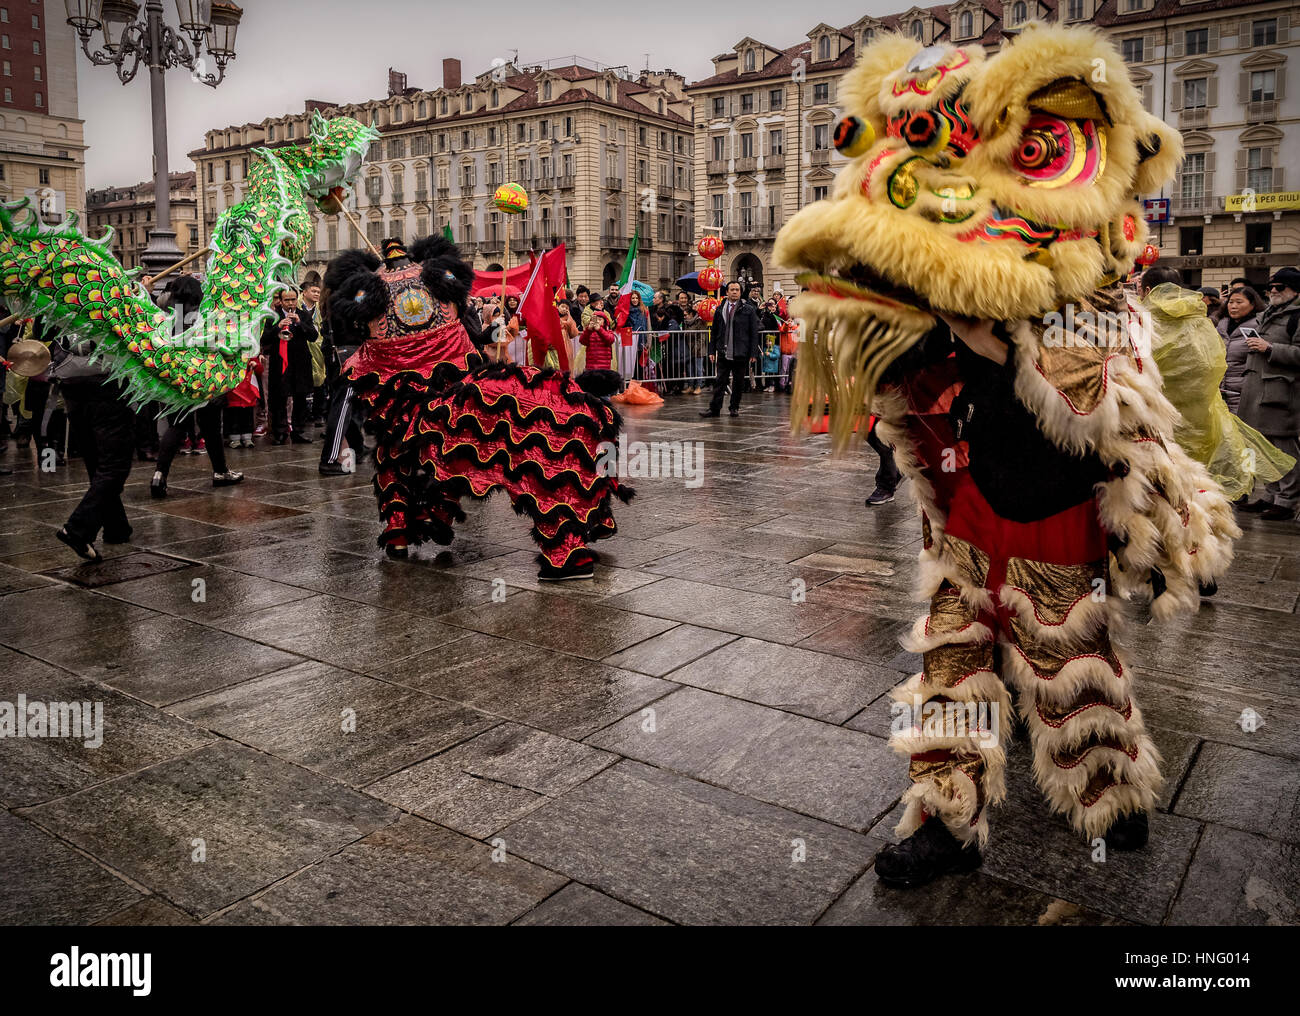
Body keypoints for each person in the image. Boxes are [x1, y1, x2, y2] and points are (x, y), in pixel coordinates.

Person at [324, 236, 632, 579]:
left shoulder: (379, 290)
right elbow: (464, 334)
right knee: (461, 442)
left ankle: (567, 547)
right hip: (448, 389)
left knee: (405, 454)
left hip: (415, 397)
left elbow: (366, 346)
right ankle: (430, 518)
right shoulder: (436, 281)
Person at [1237, 267, 1300, 520]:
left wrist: (1270, 347)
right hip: (1258, 389)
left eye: (1280, 287)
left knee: (1284, 448)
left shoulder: (1296, 315)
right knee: (1264, 447)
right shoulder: (1270, 312)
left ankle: (1287, 500)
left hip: (1282, 392)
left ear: (1295, 290)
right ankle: (1270, 495)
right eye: (1271, 287)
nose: (1273, 291)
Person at [261, 288, 316, 444]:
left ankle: (298, 431)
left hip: (300, 362)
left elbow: (313, 336)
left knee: (300, 397)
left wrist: (300, 324)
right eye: (287, 300)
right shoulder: (273, 315)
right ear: (281, 301)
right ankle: (280, 432)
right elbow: (265, 339)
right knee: (279, 398)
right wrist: (278, 327)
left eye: (293, 299)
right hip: (280, 363)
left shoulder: (303, 314)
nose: (290, 303)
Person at [701, 281, 759, 418]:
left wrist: (753, 353)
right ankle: (714, 408)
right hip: (723, 351)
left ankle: (734, 407)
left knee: (738, 382)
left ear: (740, 292)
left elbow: (754, 333)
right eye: (732, 289)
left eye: (737, 290)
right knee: (720, 381)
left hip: (740, 351)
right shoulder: (720, 309)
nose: (734, 292)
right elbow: (714, 332)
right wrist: (711, 350)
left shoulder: (748, 309)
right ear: (727, 292)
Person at [1218, 285, 1265, 414]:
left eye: (1239, 302)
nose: (1233, 306)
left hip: (1245, 393)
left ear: (1252, 305)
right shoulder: (1220, 325)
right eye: (1230, 302)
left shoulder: (1260, 327)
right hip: (1218, 392)